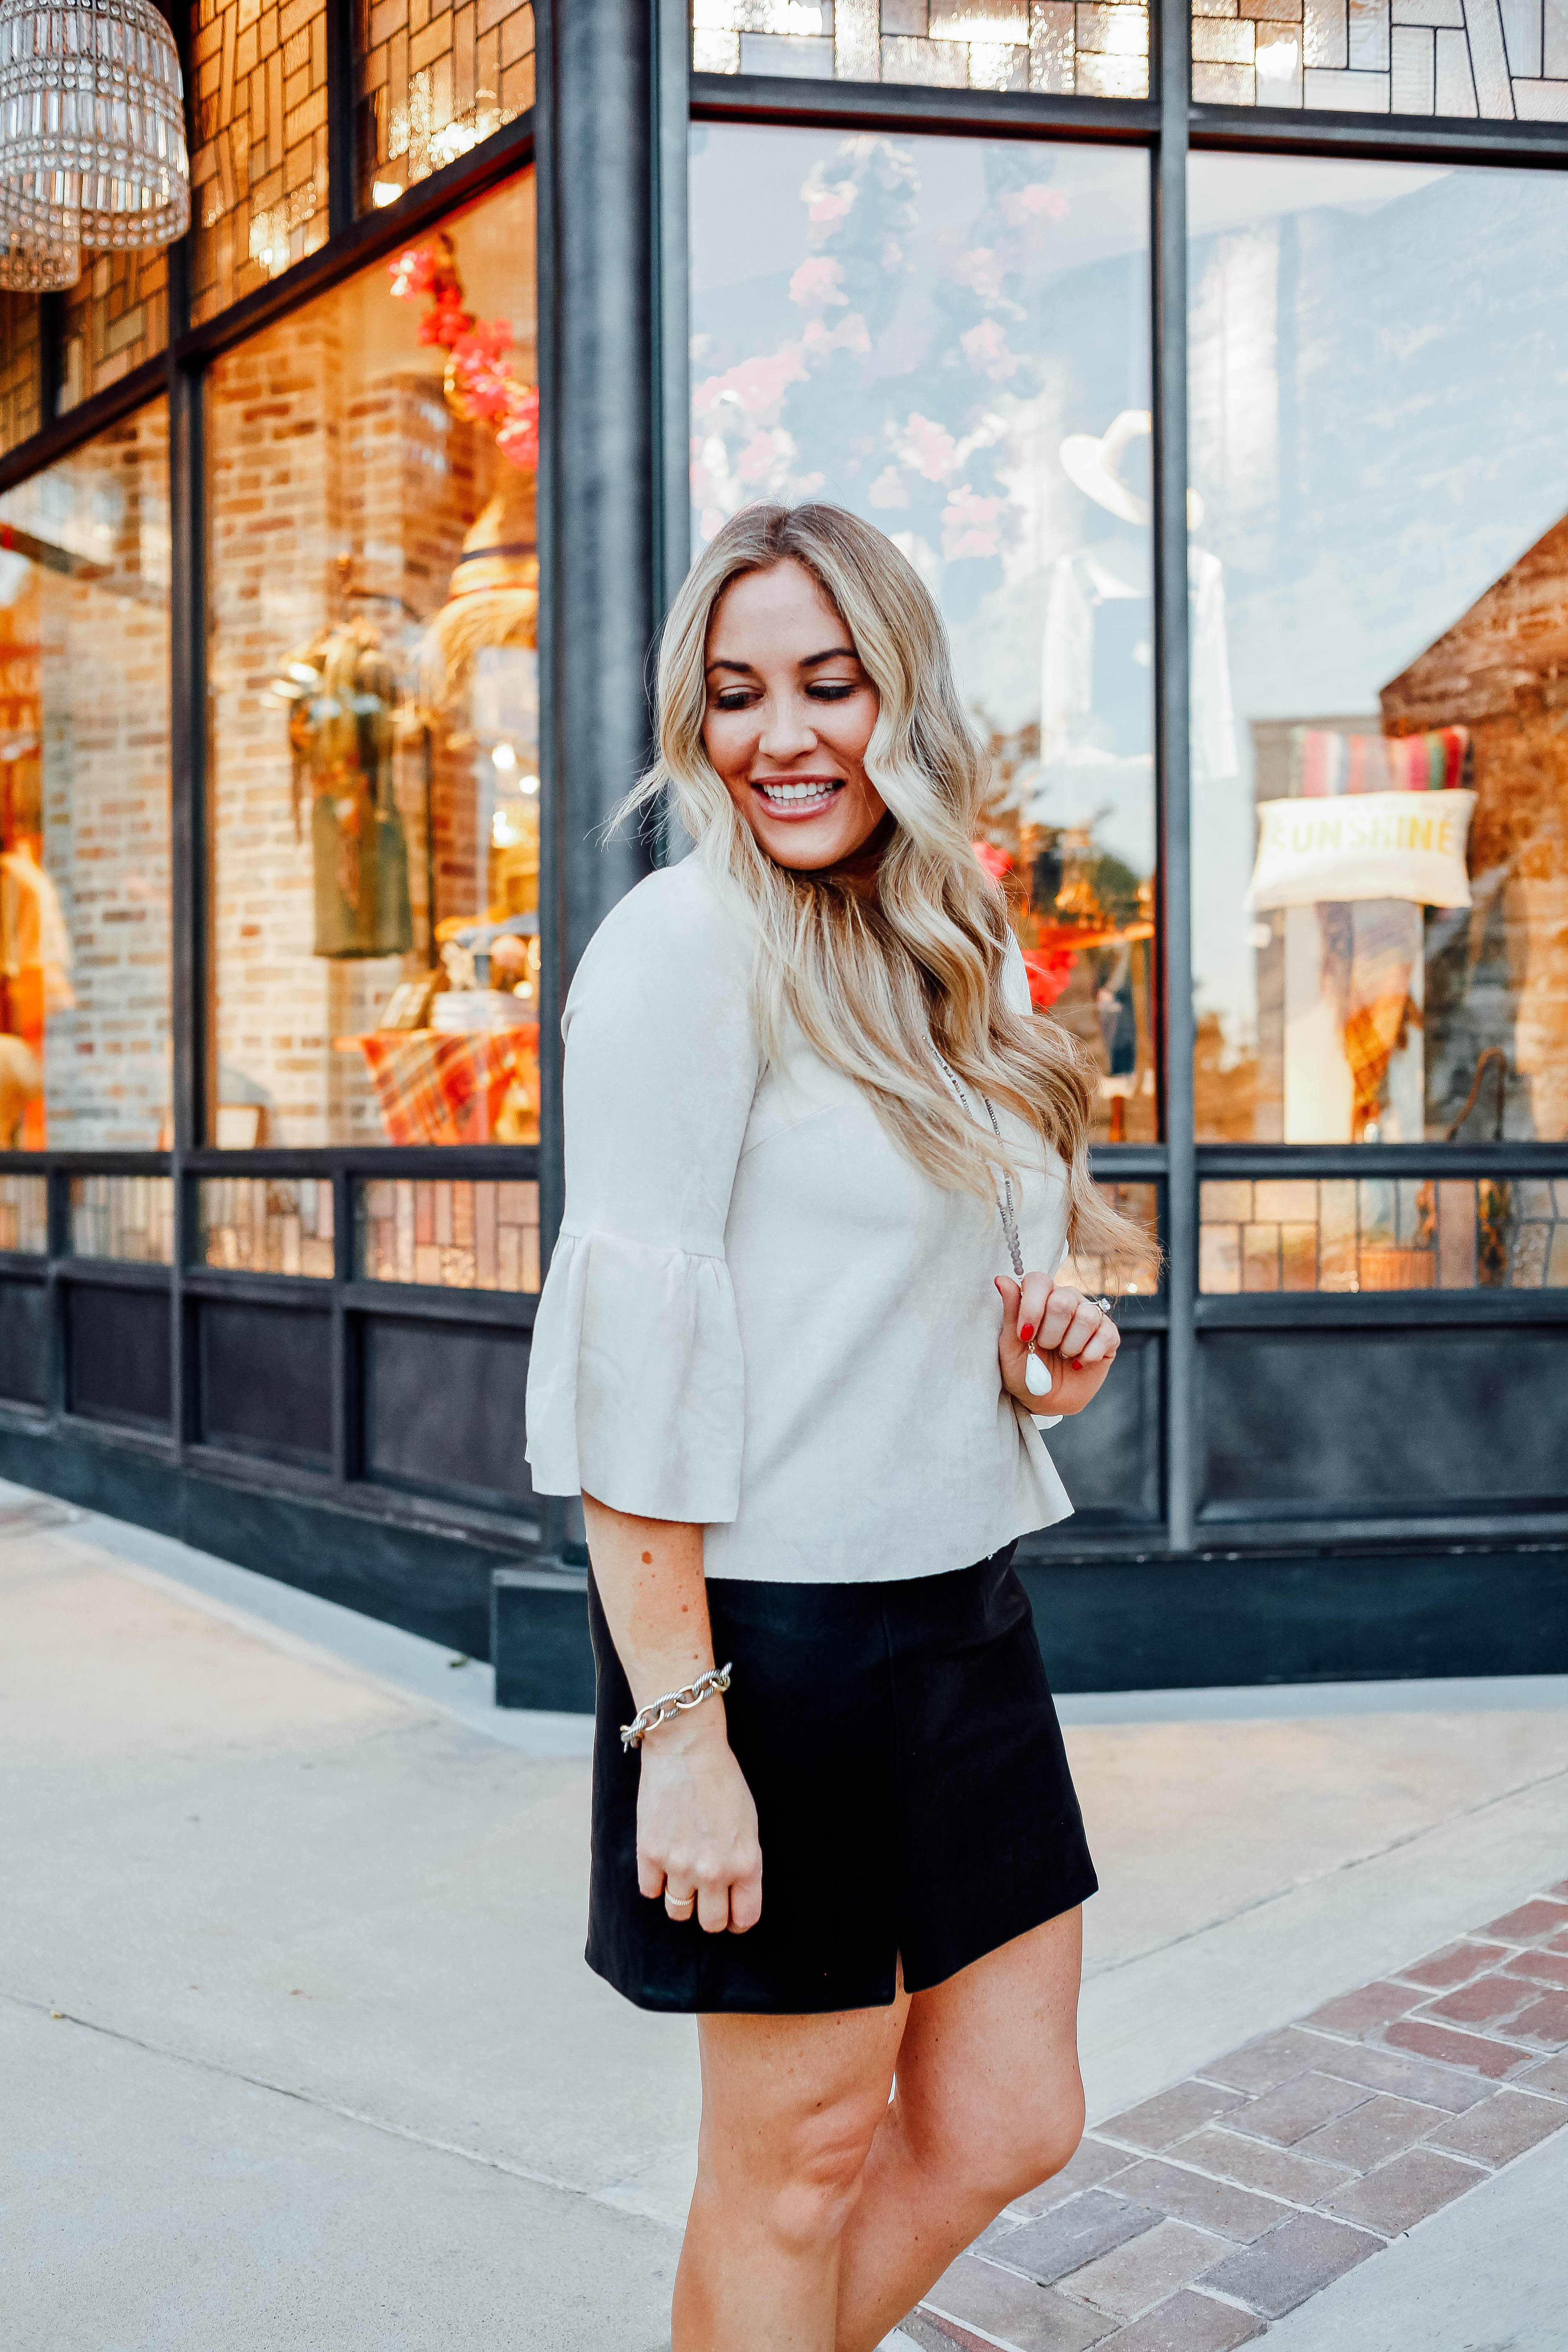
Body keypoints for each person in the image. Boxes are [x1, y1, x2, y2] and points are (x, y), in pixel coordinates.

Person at [525, 503, 1142, 2352]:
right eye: (734, 695)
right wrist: (683, 1737)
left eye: (828, 682)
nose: (780, 736)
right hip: (770, 1649)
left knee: (1014, 2119)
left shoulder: (950, 951)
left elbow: (951, 1312)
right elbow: (636, 1377)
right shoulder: (676, 955)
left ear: (903, 697)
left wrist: (1049, 1361)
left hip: (962, 1613)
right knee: (790, 2169)